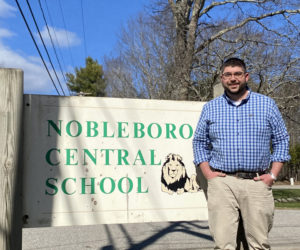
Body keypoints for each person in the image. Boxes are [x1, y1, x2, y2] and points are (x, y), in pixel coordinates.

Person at [192, 58, 290, 250]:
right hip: (222, 183)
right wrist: (208, 174)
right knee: (223, 244)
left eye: (237, 74)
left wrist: (272, 175)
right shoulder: (211, 108)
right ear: (222, 78)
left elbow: (282, 140)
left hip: (256, 183)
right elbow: (199, 142)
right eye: (228, 75)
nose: (233, 79)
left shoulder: (266, 105)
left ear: (246, 76)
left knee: (258, 244)